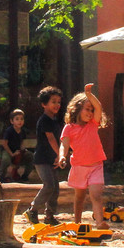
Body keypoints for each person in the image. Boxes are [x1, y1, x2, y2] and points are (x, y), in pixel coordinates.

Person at [57, 83, 109, 228]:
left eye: (92, 110)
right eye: (87, 109)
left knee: (96, 195)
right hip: (79, 167)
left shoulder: (93, 124)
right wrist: (62, 156)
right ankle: (77, 222)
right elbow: (64, 145)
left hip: (96, 166)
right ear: (77, 109)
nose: (91, 112)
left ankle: (99, 223)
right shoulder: (69, 128)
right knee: (79, 197)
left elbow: (99, 107)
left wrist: (89, 95)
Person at [24, 86, 64, 225]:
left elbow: (59, 139)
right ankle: (32, 210)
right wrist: (60, 154)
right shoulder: (44, 120)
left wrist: (59, 155)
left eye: (58, 102)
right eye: (53, 102)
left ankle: (49, 216)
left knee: (55, 188)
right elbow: (51, 139)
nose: (57, 105)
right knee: (49, 185)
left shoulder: (54, 120)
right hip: (42, 159)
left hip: (52, 158)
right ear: (44, 104)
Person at [1, 108, 34, 181]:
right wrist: (12, 154)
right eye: (17, 119)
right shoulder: (9, 131)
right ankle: (1, 177)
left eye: (21, 119)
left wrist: (23, 150)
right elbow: (4, 143)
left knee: (31, 156)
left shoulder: (23, 131)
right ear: (12, 121)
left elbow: (21, 142)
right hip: (8, 150)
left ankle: (25, 176)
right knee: (6, 160)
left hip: (17, 150)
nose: (20, 121)